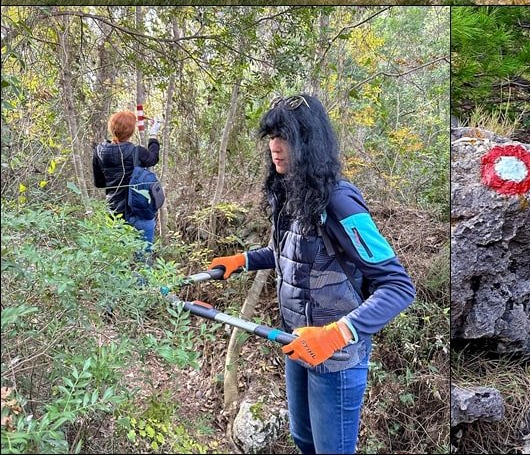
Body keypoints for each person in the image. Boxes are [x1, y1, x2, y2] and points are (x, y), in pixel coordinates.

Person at [208, 94, 416, 455]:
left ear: (309, 141)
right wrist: (242, 260)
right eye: (272, 136)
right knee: (303, 440)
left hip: (335, 360)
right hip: (296, 343)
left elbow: (398, 286)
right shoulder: (288, 192)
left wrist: (335, 335)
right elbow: (286, 253)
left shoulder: (338, 202)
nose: (275, 147)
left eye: (285, 137)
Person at [93, 109, 162, 246]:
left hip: (114, 213)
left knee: (117, 260)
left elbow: (100, 182)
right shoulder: (136, 152)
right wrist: (153, 135)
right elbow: (153, 158)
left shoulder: (99, 151)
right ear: (131, 132)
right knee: (143, 259)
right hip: (138, 211)